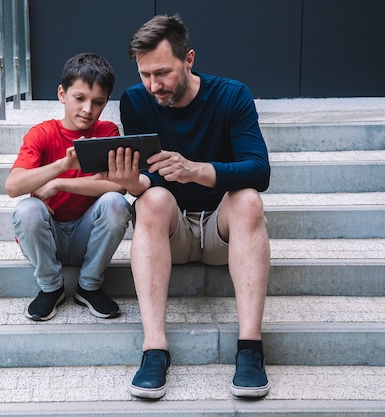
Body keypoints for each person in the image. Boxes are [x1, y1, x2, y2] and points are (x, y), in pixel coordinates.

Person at [105, 15, 272, 399]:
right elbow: (150, 176)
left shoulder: (232, 95)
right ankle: (154, 349)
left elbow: (259, 170)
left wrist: (195, 170)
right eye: (145, 74)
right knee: (150, 200)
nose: (153, 85)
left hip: (222, 232)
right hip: (174, 231)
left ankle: (250, 349)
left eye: (161, 72)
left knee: (248, 199)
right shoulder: (135, 100)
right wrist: (133, 182)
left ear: (189, 59)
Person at [5, 53, 131, 321]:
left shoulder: (107, 132)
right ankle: (51, 287)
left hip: (88, 235)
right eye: (80, 98)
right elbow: (14, 186)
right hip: (48, 236)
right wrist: (61, 166)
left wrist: (58, 184)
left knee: (117, 204)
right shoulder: (42, 133)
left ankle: (89, 285)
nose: (88, 109)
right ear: (62, 94)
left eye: (98, 102)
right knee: (27, 209)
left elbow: (117, 186)